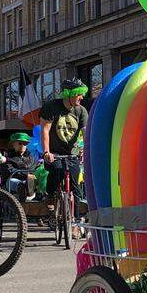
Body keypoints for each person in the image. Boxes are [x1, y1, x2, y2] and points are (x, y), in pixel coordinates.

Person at [39, 78, 89, 208]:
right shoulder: (51, 107)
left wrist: (86, 151)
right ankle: (50, 196)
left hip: (71, 154)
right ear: (70, 94)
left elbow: (85, 132)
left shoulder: (81, 111)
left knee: (76, 187)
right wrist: (46, 152)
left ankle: (76, 221)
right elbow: (45, 130)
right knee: (57, 170)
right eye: (79, 94)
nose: (82, 97)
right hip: (54, 153)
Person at [0, 132, 39, 203]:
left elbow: (35, 168)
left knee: (37, 181)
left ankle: (35, 195)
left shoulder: (31, 157)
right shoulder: (8, 157)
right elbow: (10, 170)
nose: (23, 145)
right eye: (20, 143)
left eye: (25, 143)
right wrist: (26, 174)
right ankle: (22, 205)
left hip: (28, 179)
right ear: (13, 144)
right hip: (11, 179)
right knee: (21, 185)